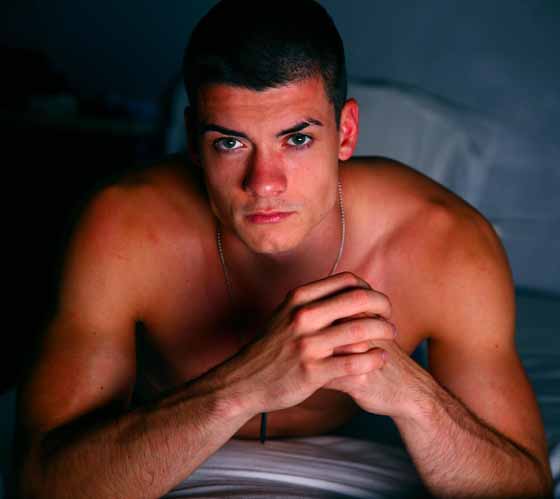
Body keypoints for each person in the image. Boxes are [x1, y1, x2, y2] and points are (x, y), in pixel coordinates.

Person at [15, 0, 553, 497]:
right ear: (194, 140)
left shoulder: (445, 241)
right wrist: (243, 387)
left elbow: (524, 488)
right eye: (230, 142)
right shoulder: (122, 229)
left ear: (346, 133)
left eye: (297, 139)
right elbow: (42, 484)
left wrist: (413, 396)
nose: (264, 183)